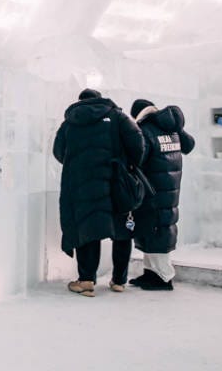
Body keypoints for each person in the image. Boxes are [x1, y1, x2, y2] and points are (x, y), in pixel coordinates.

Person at [53, 88, 145, 297]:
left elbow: (59, 152)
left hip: (82, 184)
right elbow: (138, 144)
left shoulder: (70, 122)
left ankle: (86, 280)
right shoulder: (118, 117)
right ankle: (119, 281)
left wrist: (80, 164)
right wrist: (126, 164)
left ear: (80, 102)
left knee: (87, 228)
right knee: (122, 229)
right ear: (100, 98)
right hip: (115, 180)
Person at [128, 99, 195, 290]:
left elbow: (139, 157)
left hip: (153, 188)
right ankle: (150, 273)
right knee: (154, 228)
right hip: (167, 187)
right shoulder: (169, 127)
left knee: (156, 229)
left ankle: (165, 277)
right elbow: (189, 145)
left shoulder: (146, 129)